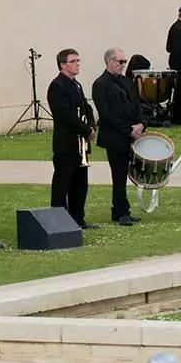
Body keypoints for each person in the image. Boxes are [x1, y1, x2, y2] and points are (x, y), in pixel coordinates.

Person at [92, 48, 145, 227]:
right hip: (116, 137)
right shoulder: (100, 84)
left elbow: (137, 104)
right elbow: (107, 113)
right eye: (120, 62)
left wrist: (141, 124)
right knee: (119, 175)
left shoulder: (127, 82)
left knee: (131, 172)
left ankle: (122, 210)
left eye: (125, 61)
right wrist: (128, 129)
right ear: (110, 62)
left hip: (132, 133)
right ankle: (121, 211)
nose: (123, 65)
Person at [45, 48, 95, 228]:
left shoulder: (76, 84)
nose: (77, 64)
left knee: (80, 184)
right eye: (73, 61)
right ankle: (59, 221)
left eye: (78, 61)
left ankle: (77, 218)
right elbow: (64, 114)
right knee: (62, 183)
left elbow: (85, 107)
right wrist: (84, 129)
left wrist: (91, 125)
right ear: (63, 65)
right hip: (66, 143)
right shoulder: (57, 86)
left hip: (79, 144)